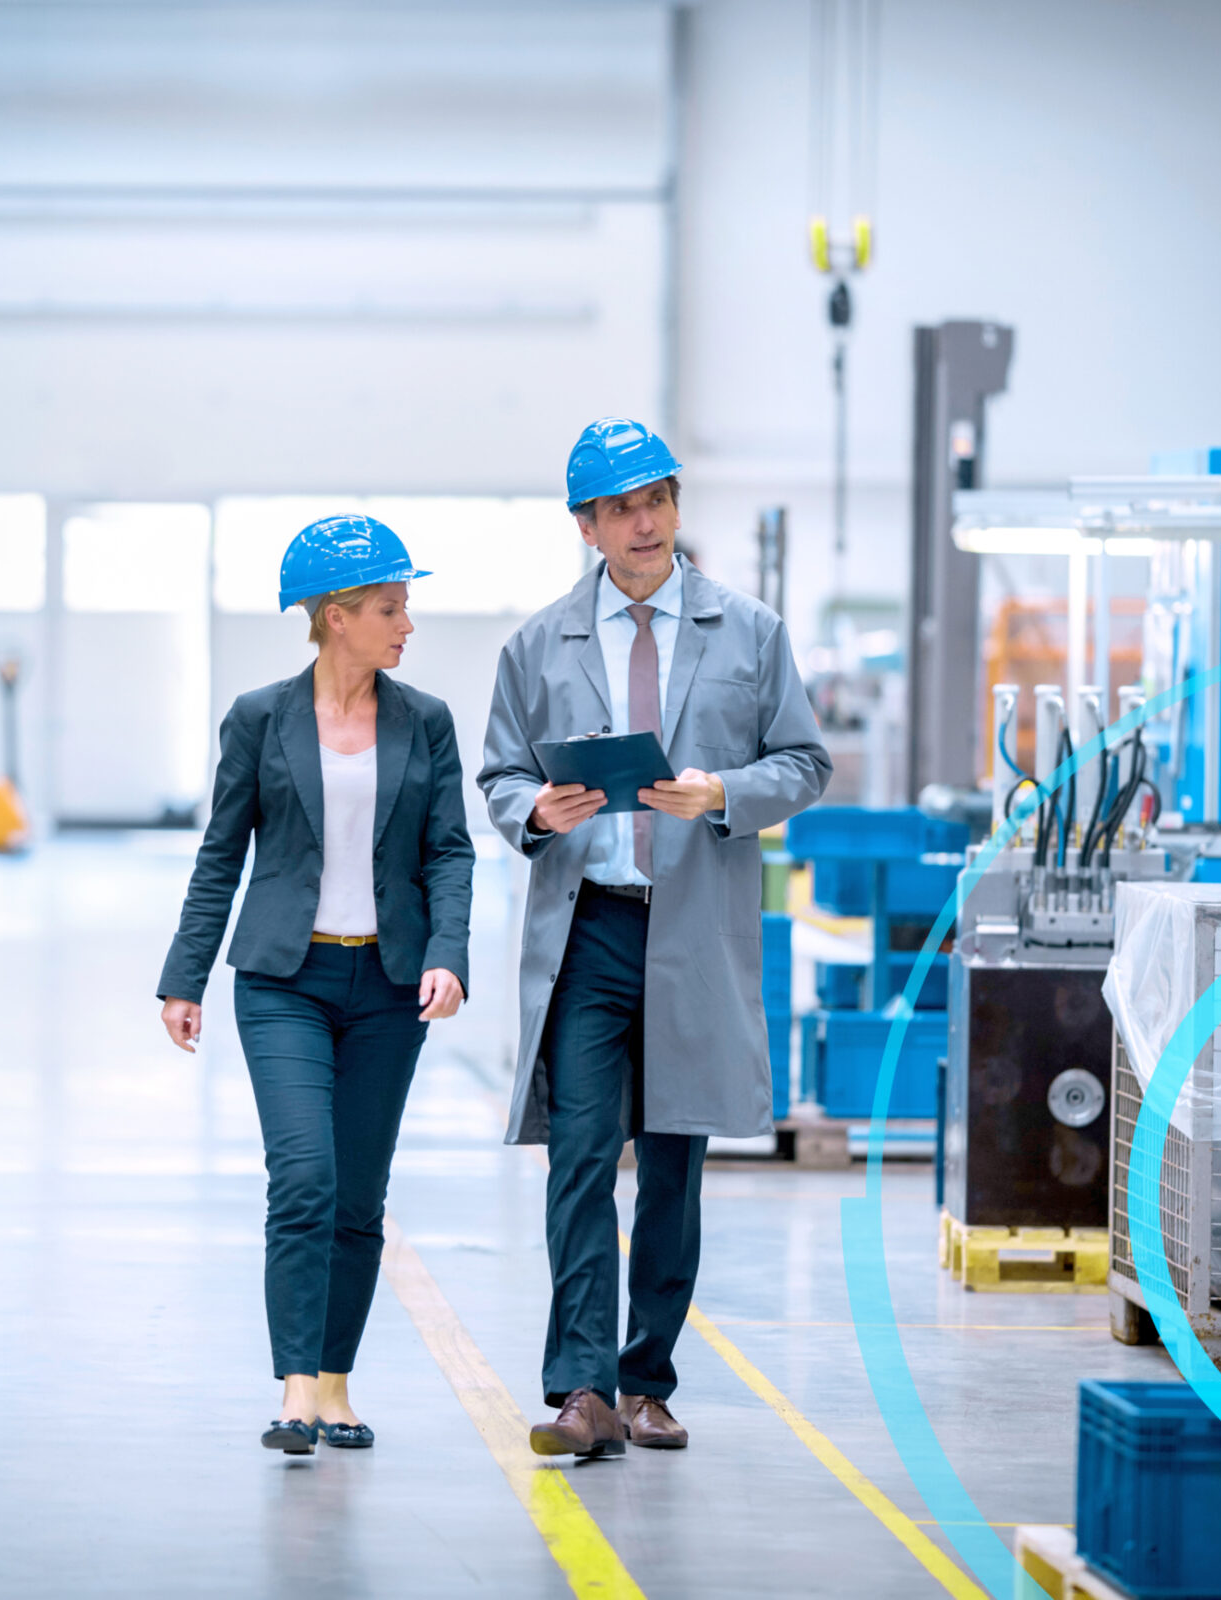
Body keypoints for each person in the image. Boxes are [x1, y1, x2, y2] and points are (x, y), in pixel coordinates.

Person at [478, 418, 830, 1457]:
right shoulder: (538, 645)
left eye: (658, 501)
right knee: (582, 1155)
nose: (644, 524)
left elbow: (804, 762)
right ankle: (580, 1389)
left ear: (677, 508)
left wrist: (724, 792)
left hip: (694, 928)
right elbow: (498, 775)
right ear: (587, 526)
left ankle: (648, 1379)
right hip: (588, 927)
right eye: (621, 508)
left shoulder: (751, 633)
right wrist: (537, 811)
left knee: (674, 1159)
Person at [157, 514, 475, 1456]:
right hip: (283, 981)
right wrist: (186, 977)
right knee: (303, 1176)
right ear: (335, 616)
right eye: (389, 608)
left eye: (404, 607)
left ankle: (336, 1385)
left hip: (387, 984)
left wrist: (447, 954)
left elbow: (449, 852)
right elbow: (221, 854)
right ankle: (295, 1385)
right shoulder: (261, 718)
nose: (405, 625)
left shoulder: (426, 721)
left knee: (357, 1197)